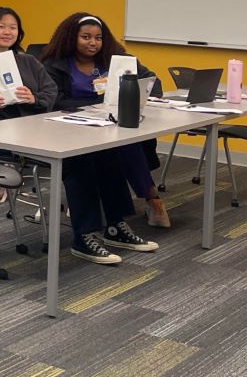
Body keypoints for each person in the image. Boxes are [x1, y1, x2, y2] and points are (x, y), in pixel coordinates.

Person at [0, 7, 157, 266]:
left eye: (12, 27)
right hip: (5, 141)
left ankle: (115, 226)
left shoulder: (27, 61)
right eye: (1, 26)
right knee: (77, 161)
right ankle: (84, 236)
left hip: (40, 129)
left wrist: (34, 98)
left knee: (106, 152)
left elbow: (50, 95)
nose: (7, 32)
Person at [40, 13, 169, 228]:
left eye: (98, 38)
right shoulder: (55, 63)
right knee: (122, 143)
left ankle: (149, 198)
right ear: (72, 37)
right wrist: (95, 104)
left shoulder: (116, 58)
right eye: (86, 37)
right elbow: (54, 100)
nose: (93, 43)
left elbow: (152, 82)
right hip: (71, 125)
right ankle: (146, 199)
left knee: (129, 141)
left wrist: (133, 92)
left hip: (109, 122)